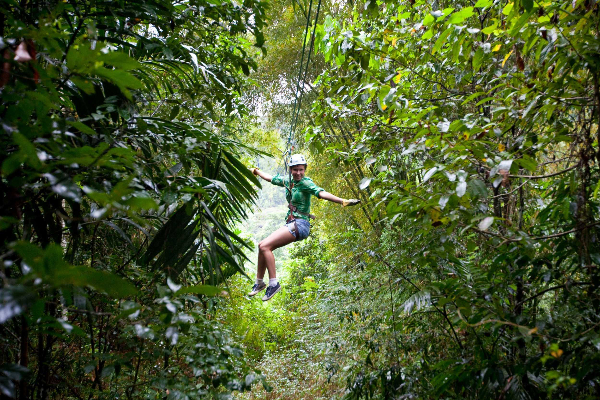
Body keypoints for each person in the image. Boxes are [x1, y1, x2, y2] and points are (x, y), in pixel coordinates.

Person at [248, 154, 360, 301]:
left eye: (301, 170)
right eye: (295, 170)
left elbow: (321, 193)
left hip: (301, 224)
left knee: (265, 247)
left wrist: (342, 201)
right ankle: (259, 282)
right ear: (291, 170)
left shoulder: (306, 183)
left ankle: (273, 284)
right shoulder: (288, 181)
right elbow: (270, 178)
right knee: (261, 245)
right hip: (291, 223)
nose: (298, 173)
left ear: (305, 169)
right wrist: (256, 171)